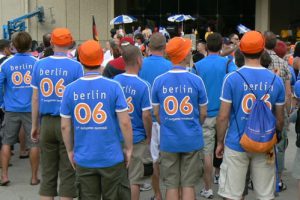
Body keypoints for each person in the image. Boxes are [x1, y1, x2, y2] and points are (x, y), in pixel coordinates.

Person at [216, 31, 285, 200]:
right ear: (263, 50)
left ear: (241, 50)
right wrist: (276, 134)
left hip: (236, 141)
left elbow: (223, 116)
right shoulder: (276, 80)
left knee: (233, 194)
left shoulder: (231, 78)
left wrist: (219, 142)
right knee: (265, 195)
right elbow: (280, 119)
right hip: (266, 142)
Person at [60, 40, 132, 200]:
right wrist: (129, 148)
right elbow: (125, 122)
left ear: (80, 60)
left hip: (84, 157)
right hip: (111, 156)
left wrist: (70, 150)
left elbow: (65, 127)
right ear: (101, 59)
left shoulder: (69, 89)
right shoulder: (114, 86)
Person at [31, 28, 84, 200]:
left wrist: (34, 125)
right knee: (68, 173)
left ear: (52, 43)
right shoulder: (76, 66)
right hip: (68, 122)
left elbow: (35, 98)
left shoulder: (39, 64)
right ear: (69, 43)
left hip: (46, 121)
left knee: (48, 174)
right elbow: (78, 100)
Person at [152, 37, 208, 200]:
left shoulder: (159, 81)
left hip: (169, 139)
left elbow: (156, 113)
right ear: (184, 56)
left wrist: (168, 124)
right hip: (192, 137)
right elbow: (203, 113)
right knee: (188, 184)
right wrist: (195, 124)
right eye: (188, 51)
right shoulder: (196, 80)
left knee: (171, 185)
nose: (190, 53)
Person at [194, 33, 236, 198]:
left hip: (205, 114)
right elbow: (235, 79)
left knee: (207, 153)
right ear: (221, 46)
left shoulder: (197, 66)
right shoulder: (228, 64)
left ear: (206, 46)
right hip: (225, 114)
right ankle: (225, 184)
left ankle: (207, 187)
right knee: (226, 149)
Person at [0, 32, 39, 186]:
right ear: (30, 45)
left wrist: (2, 103)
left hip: (11, 108)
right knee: (34, 143)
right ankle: (34, 177)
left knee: (7, 142)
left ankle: (4, 176)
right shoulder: (37, 62)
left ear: (13, 46)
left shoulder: (5, 64)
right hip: (31, 109)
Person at [114, 45, 152, 200]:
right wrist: (149, 136)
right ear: (138, 60)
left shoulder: (115, 81)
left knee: (119, 178)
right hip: (136, 137)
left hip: (117, 136)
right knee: (134, 179)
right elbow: (146, 116)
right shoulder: (143, 85)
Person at [139, 32, 172, 200]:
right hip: (167, 119)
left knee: (154, 160)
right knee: (171, 160)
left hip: (147, 119)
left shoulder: (141, 65)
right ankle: (172, 193)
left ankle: (157, 194)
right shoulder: (170, 66)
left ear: (148, 47)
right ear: (165, 47)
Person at [265, 31, 292, 191]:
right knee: (279, 145)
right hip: (279, 110)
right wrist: (287, 113)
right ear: (275, 44)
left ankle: (262, 176)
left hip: (263, 109)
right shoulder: (283, 64)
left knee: (263, 142)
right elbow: (288, 93)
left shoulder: (260, 60)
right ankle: (278, 179)